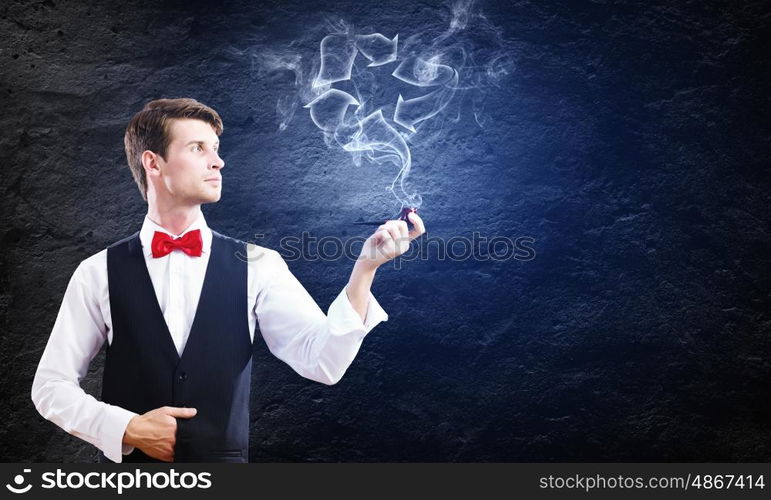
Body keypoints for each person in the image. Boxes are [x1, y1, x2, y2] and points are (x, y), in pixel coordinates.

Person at [31, 98, 425, 463]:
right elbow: (50, 386)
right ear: (153, 163)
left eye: (216, 150)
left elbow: (322, 362)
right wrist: (126, 427)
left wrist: (365, 270)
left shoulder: (259, 264)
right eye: (198, 148)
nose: (218, 162)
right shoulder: (96, 271)